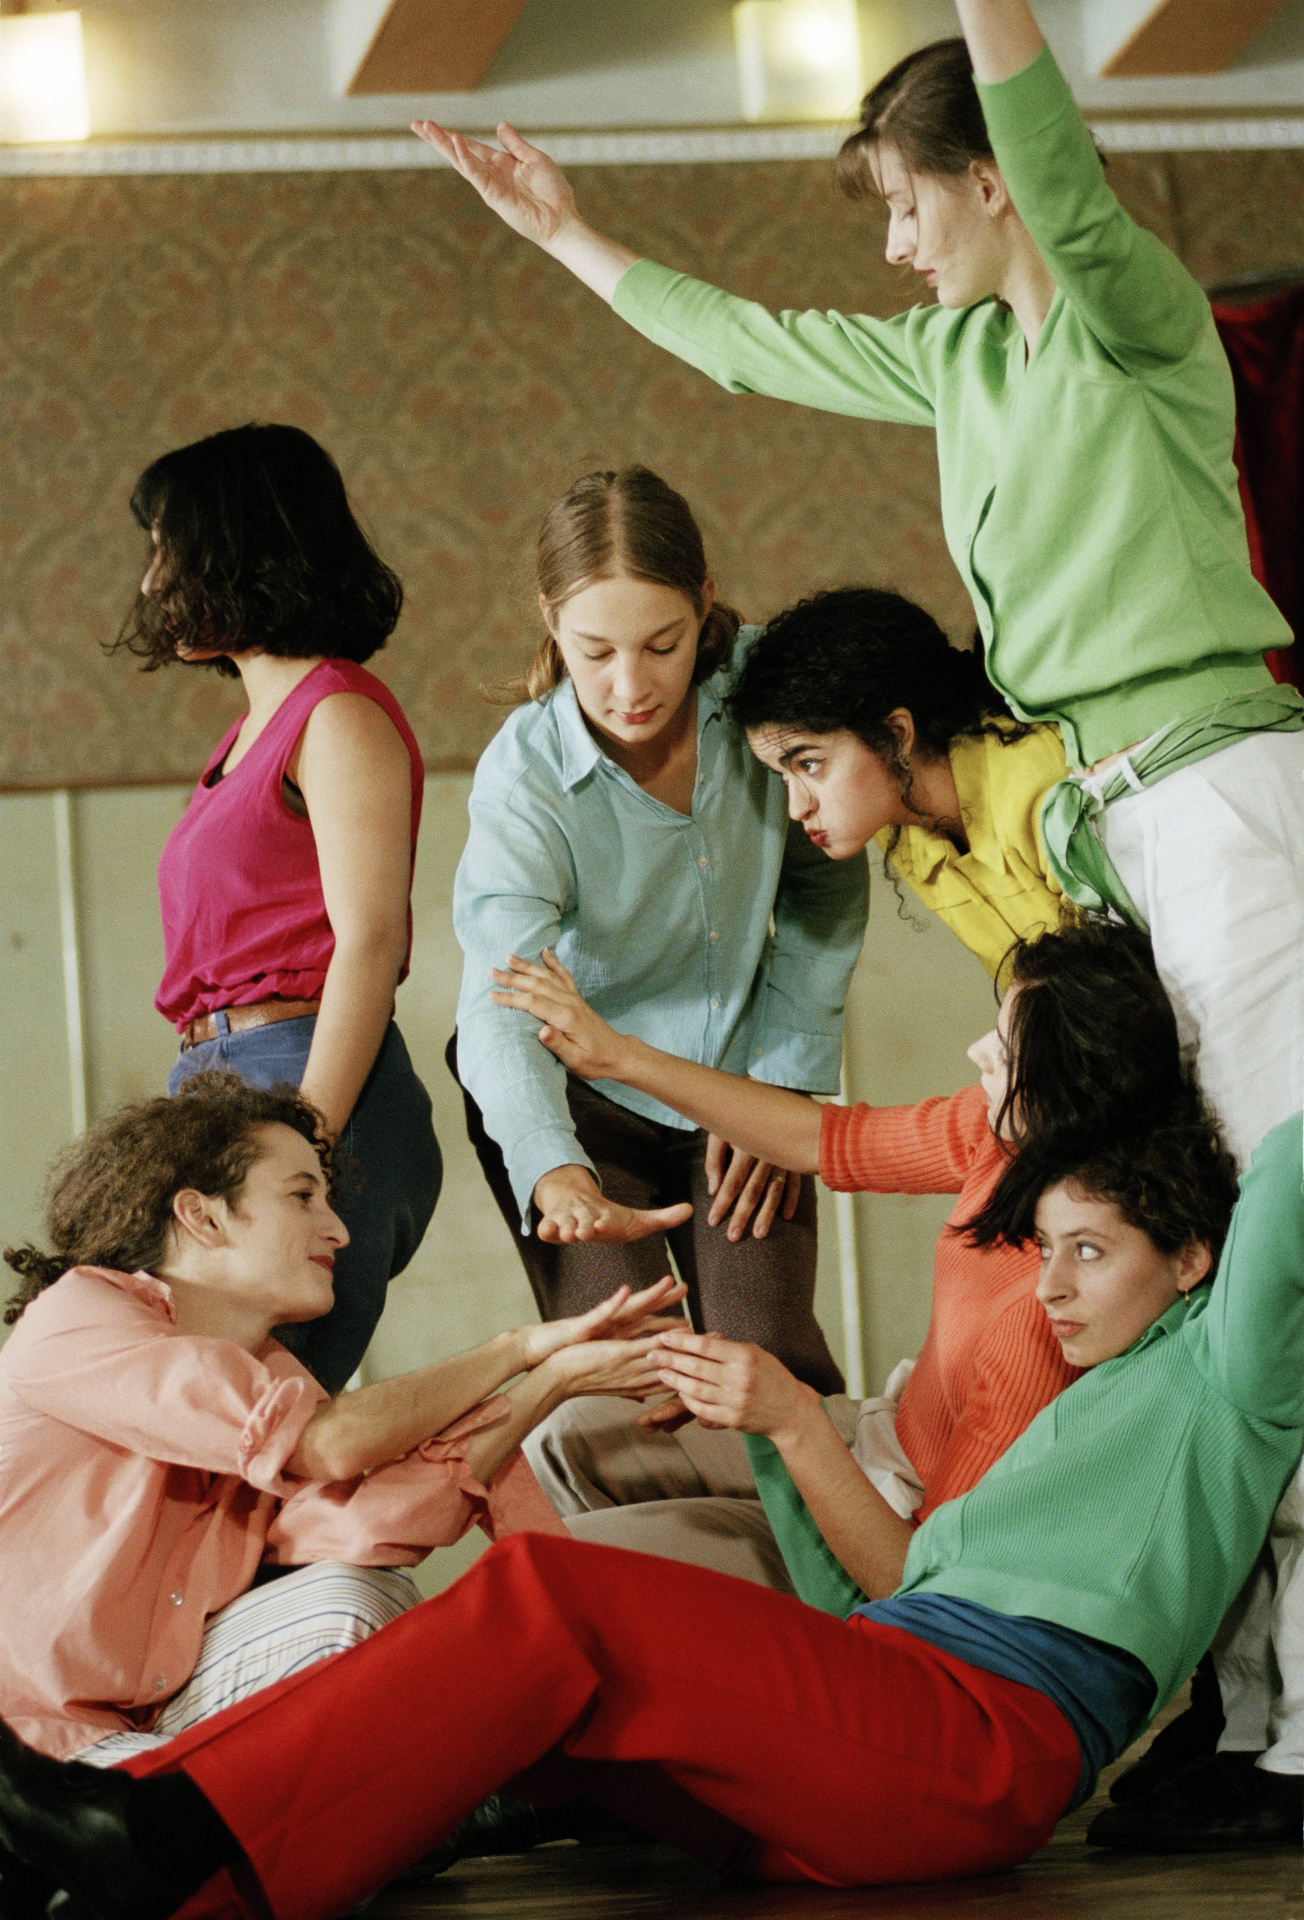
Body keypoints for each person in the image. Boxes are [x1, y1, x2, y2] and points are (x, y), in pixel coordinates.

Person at [8, 1097, 1294, 1920]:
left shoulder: (1226, 1370)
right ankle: (151, 1875)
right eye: (1043, 1248)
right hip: (879, 1734)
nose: (1048, 1286)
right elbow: (884, 1594)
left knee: (551, 1593)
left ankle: (160, 1818)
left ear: (1194, 1261)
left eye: (1088, 1251)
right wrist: (784, 1422)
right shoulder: (1069, 1413)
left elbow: (1285, 1154)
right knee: (530, 1705)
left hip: (976, 1758)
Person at [412, 0, 1304, 1174]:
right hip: (1100, 810)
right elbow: (750, 346)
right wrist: (565, 235)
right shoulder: (959, 357)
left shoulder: (1129, 320)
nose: (892, 245)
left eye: (903, 203)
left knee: (1268, 1146)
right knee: (1194, 1167)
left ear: (988, 179)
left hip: (1206, 778)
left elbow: (1056, 171)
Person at [0, 1071, 680, 1770]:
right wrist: (516, 1347)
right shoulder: (78, 1319)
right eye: (302, 1197)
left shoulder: (269, 1371)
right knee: (355, 1616)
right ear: (202, 1217)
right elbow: (329, 1445)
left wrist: (553, 1379)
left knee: (356, 1597)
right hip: (29, 1748)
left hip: (144, 1723)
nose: (339, 1231)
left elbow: (366, 1526)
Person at [497, 920, 1185, 1594]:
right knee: (564, 1437)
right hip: (879, 1438)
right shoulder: (1005, 1139)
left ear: (1068, 1092)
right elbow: (821, 1138)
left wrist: (790, 1416)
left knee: (563, 1569)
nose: (977, 1052)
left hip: (888, 1533)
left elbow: (920, 1585)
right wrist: (618, 1057)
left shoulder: (1041, 1321)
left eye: (1005, 1053)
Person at [449, 465, 867, 1393]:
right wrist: (551, 1168)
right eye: (595, 652)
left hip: (740, 1075)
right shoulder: (525, 779)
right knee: (631, 1370)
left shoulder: (766, 689)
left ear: (705, 604)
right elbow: (501, 995)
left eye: (663, 645)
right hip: (577, 1094)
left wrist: (782, 1085)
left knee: (766, 1361)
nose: (630, 686)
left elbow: (825, 890)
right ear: (551, 621)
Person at [118, 422, 441, 1393]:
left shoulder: (335, 712)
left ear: (243, 548)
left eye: (168, 549)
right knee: (205, 1413)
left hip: (307, 1080)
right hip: (224, 1085)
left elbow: (369, 943)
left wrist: (306, 1143)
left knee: (262, 1416)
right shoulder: (249, 731)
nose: (151, 583)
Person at [727, 586, 1066, 979]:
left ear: (896, 734)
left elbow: (1111, 975)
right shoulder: (904, 830)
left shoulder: (1037, 780)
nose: (796, 808)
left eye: (809, 763)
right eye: (783, 776)